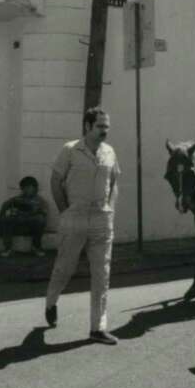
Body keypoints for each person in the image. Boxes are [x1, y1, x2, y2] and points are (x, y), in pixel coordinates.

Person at [44, 107, 121, 345]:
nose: (104, 131)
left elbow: (114, 182)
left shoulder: (109, 152)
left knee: (102, 273)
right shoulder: (70, 150)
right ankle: (51, 301)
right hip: (75, 215)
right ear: (87, 126)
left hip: (101, 218)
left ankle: (97, 328)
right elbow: (56, 181)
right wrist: (64, 210)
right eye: (100, 126)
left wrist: (110, 208)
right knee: (65, 268)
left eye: (107, 126)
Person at [0, 177, 50, 257]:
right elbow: (5, 206)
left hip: (31, 229)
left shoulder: (40, 201)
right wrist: (3, 217)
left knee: (40, 219)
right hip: (17, 227)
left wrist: (33, 211)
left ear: (35, 188)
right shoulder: (16, 199)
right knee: (7, 218)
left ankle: (36, 247)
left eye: (29, 187)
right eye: (24, 188)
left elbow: (44, 215)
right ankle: (8, 248)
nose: (27, 190)